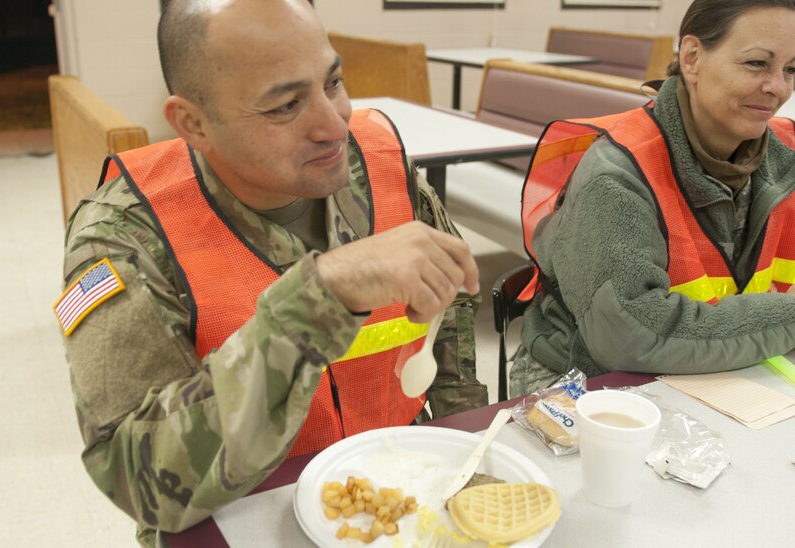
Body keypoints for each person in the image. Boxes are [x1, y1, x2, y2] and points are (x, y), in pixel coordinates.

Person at [54, 0, 488, 543]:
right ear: (192, 122)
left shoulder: (375, 163)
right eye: (286, 106)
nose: (335, 126)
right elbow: (139, 480)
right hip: (241, 520)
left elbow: (450, 333)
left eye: (333, 82)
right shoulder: (125, 236)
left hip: (400, 499)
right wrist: (320, 296)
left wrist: (469, 457)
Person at [510, 0, 795, 397]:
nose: (778, 87)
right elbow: (629, 336)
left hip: (722, 368)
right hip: (587, 378)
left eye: (791, 69)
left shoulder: (786, 154)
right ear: (693, 58)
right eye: (756, 64)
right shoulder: (618, 173)